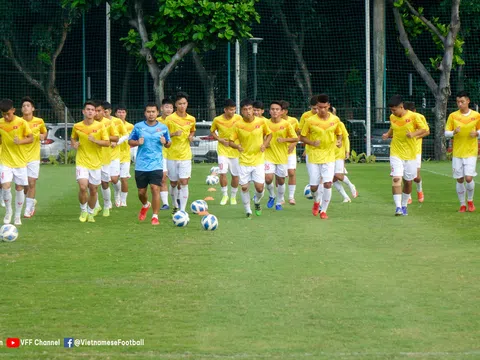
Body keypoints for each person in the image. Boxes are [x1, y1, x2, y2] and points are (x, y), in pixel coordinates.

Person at [382, 95, 428, 216]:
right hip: (396, 152)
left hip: (411, 154)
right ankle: (398, 207)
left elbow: (424, 129)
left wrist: (413, 134)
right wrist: (387, 134)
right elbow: (393, 127)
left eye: (394, 110)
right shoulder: (393, 117)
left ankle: (404, 205)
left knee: (408, 181)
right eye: (391, 110)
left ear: (401, 107)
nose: (392, 112)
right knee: (396, 178)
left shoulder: (414, 116)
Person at [300, 94, 342, 219]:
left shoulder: (335, 120)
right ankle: (316, 201)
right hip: (313, 156)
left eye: (324, 107)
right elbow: (302, 137)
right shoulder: (310, 120)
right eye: (319, 107)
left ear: (328, 106)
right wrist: (312, 143)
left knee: (328, 184)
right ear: (316, 107)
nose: (322, 110)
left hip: (329, 156)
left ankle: (323, 211)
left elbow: (339, 134)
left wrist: (339, 141)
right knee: (314, 187)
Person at [128, 103, 171, 225]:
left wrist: (165, 142)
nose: (151, 114)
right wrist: (137, 142)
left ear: (157, 112)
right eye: (148, 112)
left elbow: (169, 144)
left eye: (153, 111)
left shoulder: (163, 128)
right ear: (145, 113)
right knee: (141, 192)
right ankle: (146, 204)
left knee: (155, 188)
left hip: (156, 164)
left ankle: (155, 216)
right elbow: (129, 141)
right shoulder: (138, 126)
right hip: (141, 164)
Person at [229, 99, 272, 219]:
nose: (248, 111)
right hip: (244, 160)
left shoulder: (262, 122)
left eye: (250, 109)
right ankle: (248, 210)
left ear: (253, 110)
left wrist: (264, 144)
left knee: (259, 188)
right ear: (241, 111)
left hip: (258, 160)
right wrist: (237, 146)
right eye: (245, 109)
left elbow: (269, 134)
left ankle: (257, 202)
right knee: (244, 187)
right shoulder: (237, 125)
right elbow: (230, 142)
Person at [70, 100, 110, 223]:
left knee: (93, 190)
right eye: (88, 109)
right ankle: (83, 210)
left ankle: (91, 212)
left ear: (95, 112)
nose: (90, 112)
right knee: (83, 187)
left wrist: (96, 141)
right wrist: (74, 144)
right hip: (82, 161)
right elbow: (73, 138)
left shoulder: (100, 126)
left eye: (92, 110)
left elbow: (107, 142)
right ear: (83, 111)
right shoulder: (77, 126)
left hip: (96, 163)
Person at [445, 91, 480, 212]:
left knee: (469, 178)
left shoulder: (476, 115)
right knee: (460, 179)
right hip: (457, 153)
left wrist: (477, 133)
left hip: (471, 152)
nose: (460, 104)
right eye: (458, 102)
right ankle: (462, 204)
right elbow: (446, 133)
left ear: (468, 101)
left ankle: (470, 201)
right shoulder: (453, 116)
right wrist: (453, 132)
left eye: (462, 102)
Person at [0, 99, 34, 225]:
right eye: (3, 114)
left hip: (20, 162)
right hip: (5, 161)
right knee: (5, 186)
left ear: (13, 110)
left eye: (8, 114)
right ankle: (9, 212)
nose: (6, 116)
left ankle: (17, 215)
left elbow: (31, 138)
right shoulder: (0, 123)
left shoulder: (21, 123)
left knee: (19, 188)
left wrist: (20, 141)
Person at [165, 92, 196, 214]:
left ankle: (182, 210)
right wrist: (173, 134)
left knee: (184, 182)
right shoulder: (169, 119)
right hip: (172, 155)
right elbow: (162, 135)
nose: (182, 106)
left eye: (184, 103)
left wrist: (191, 136)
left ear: (187, 104)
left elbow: (192, 131)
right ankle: (174, 205)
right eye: (179, 104)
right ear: (175, 105)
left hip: (185, 156)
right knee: (173, 183)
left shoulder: (191, 119)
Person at [265, 101, 298, 210]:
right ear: (269, 111)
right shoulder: (265, 123)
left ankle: (279, 201)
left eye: (277, 109)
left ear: (281, 112)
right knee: (268, 178)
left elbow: (295, 138)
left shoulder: (286, 124)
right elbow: (259, 136)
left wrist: (284, 139)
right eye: (272, 109)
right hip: (268, 156)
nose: (275, 111)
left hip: (282, 157)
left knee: (281, 180)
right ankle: (272, 195)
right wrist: (265, 143)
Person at [210, 99, 242, 205]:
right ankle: (225, 196)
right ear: (225, 110)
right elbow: (212, 131)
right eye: (230, 110)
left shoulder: (239, 118)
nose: (232, 112)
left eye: (234, 110)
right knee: (222, 173)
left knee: (235, 175)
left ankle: (233, 196)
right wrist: (219, 139)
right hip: (222, 150)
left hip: (235, 151)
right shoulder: (217, 120)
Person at [20, 97, 47, 218]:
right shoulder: (18, 122)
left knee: (31, 183)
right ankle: (31, 201)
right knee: (24, 185)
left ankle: (28, 209)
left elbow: (44, 133)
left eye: (28, 105)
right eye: (24, 106)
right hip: (20, 157)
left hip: (34, 157)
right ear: (21, 109)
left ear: (33, 108)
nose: (25, 107)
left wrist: (43, 136)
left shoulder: (39, 121)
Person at [93, 101, 119, 217]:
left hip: (105, 158)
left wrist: (104, 137)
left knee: (105, 182)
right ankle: (96, 205)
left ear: (104, 112)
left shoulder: (108, 123)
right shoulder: (88, 124)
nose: (97, 113)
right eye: (95, 111)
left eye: (99, 111)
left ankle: (107, 204)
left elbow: (116, 138)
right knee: (93, 184)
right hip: (91, 158)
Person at [403, 101, 430, 204]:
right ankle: (408, 195)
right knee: (405, 175)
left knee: (416, 177)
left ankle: (419, 190)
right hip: (404, 151)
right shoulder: (401, 117)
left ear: (414, 111)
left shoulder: (420, 117)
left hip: (416, 151)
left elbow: (427, 131)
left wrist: (415, 136)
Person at [104, 101, 127, 208]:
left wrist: (117, 142)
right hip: (102, 156)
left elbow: (126, 135)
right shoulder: (98, 122)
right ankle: (107, 202)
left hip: (114, 155)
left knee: (114, 179)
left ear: (110, 111)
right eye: (101, 111)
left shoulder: (117, 121)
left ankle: (117, 194)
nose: (104, 113)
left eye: (106, 111)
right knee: (104, 180)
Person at [332, 118, 358, 203]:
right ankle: (346, 197)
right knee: (332, 179)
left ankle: (351, 186)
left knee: (338, 175)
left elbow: (346, 138)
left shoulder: (339, 124)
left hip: (339, 155)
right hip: (328, 155)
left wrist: (347, 151)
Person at [280, 100, 300, 205]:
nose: (278, 112)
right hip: (278, 152)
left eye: (281, 110)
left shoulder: (293, 121)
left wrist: (293, 144)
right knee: (280, 175)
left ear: (285, 111)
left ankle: (291, 197)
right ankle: (281, 197)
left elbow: (299, 134)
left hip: (291, 151)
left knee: (291, 172)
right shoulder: (272, 122)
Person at [114, 105, 134, 207]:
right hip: (113, 156)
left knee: (124, 179)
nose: (121, 114)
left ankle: (123, 200)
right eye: (119, 112)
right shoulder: (112, 124)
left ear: (126, 114)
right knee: (114, 179)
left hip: (125, 156)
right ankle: (117, 194)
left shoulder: (130, 126)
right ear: (116, 114)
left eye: (123, 112)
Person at [157, 98, 174, 210]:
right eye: (166, 107)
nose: (168, 109)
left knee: (174, 180)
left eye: (170, 107)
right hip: (161, 153)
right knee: (163, 177)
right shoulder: (157, 122)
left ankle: (176, 201)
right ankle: (165, 203)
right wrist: (173, 134)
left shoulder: (176, 120)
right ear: (161, 108)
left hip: (175, 153)